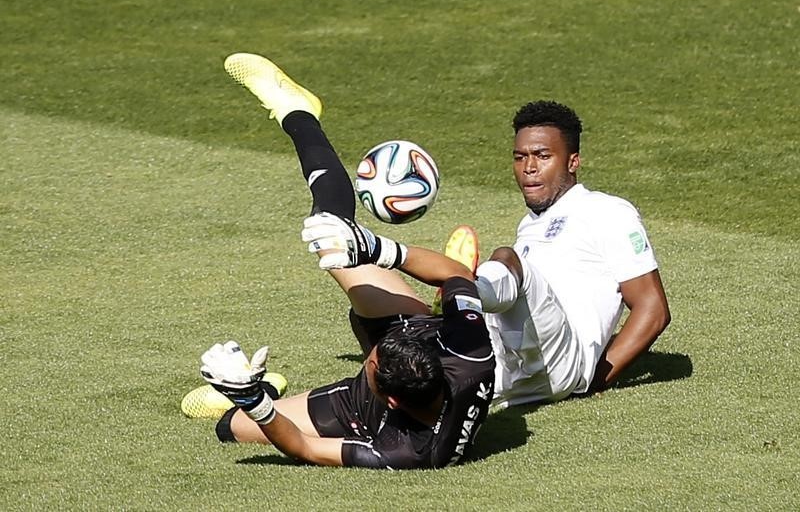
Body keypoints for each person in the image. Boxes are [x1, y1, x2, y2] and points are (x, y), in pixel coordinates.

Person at [188, 53, 496, 470]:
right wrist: (378, 248)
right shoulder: (470, 355)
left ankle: (257, 391)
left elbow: (304, 448)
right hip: (417, 339)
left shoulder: (406, 451)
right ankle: (295, 110)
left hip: (357, 413)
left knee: (232, 427)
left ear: (387, 395)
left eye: (370, 359)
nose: (367, 352)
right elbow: (460, 274)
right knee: (329, 231)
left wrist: (251, 400)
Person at [470, 100, 672, 407]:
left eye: (543, 156)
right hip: (508, 365)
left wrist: (595, 378)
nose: (529, 168)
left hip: (562, 362)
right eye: (519, 157)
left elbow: (653, 309)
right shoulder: (528, 226)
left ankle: (466, 296)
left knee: (505, 258)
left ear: (573, 161)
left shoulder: (606, 211)